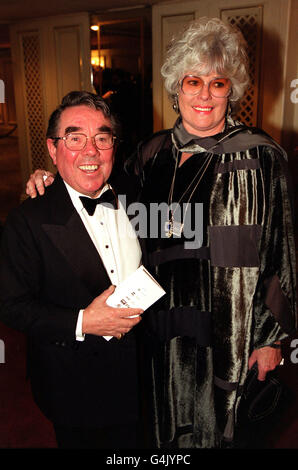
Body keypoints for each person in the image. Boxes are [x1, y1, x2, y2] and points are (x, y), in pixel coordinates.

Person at [25, 18, 296, 449]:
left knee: (219, 427)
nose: (205, 94)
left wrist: (271, 338)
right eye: (193, 81)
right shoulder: (150, 154)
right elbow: (98, 186)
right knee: (161, 426)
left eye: (218, 82)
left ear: (234, 89)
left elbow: (283, 250)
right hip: (158, 321)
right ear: (177, 87)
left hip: (228, 323)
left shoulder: (260, 157)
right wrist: (53, 179)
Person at [0, 91, 144, 449]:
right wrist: (82, 322)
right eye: (75, 138)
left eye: (102, 138)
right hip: (76, 386)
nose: (90, 151)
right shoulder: (27, 219)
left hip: (143, 374)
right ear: (53, 149)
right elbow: (11, 306)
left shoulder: (137, 194)